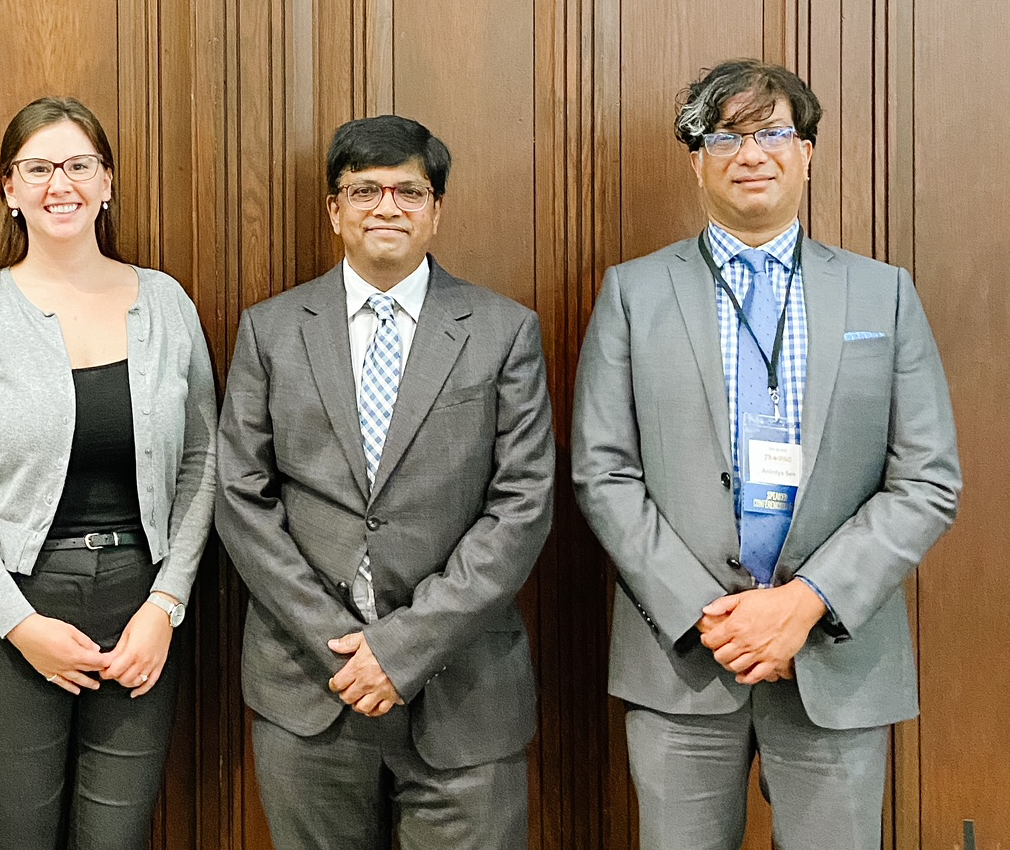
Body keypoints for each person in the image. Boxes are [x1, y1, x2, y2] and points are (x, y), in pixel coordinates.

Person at [572, 58, 961, 848]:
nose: (751, 153)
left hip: (837, 659)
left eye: (773, 132)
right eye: (725, 136)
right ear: (697, 160)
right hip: (684, 657)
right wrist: (713, 619)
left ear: (808, 152)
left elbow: (927, 479)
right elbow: (602, 471)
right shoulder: (633, 293)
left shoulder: (882, 292)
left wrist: (804, 601)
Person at [215, 114, 554, 849]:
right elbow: (242, 499)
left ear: (437, 209)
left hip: (465, 691)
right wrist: (339, 643)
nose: (387, 207)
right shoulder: (271, 331)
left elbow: (521, 506)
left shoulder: (503, 331)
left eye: (409, 190)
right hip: (312, 684)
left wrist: (401, 651)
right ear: (334, 210)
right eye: (364, 189)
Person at [0, 96, 217, 850]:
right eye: (38, 168)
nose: (61, 185)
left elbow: (206, 460)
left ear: (107, 181)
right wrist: (21, 626)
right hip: (11, 609)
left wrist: (166, 605)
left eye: (79, 165)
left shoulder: (167, 302)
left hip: (139, 612)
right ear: (9, 189)